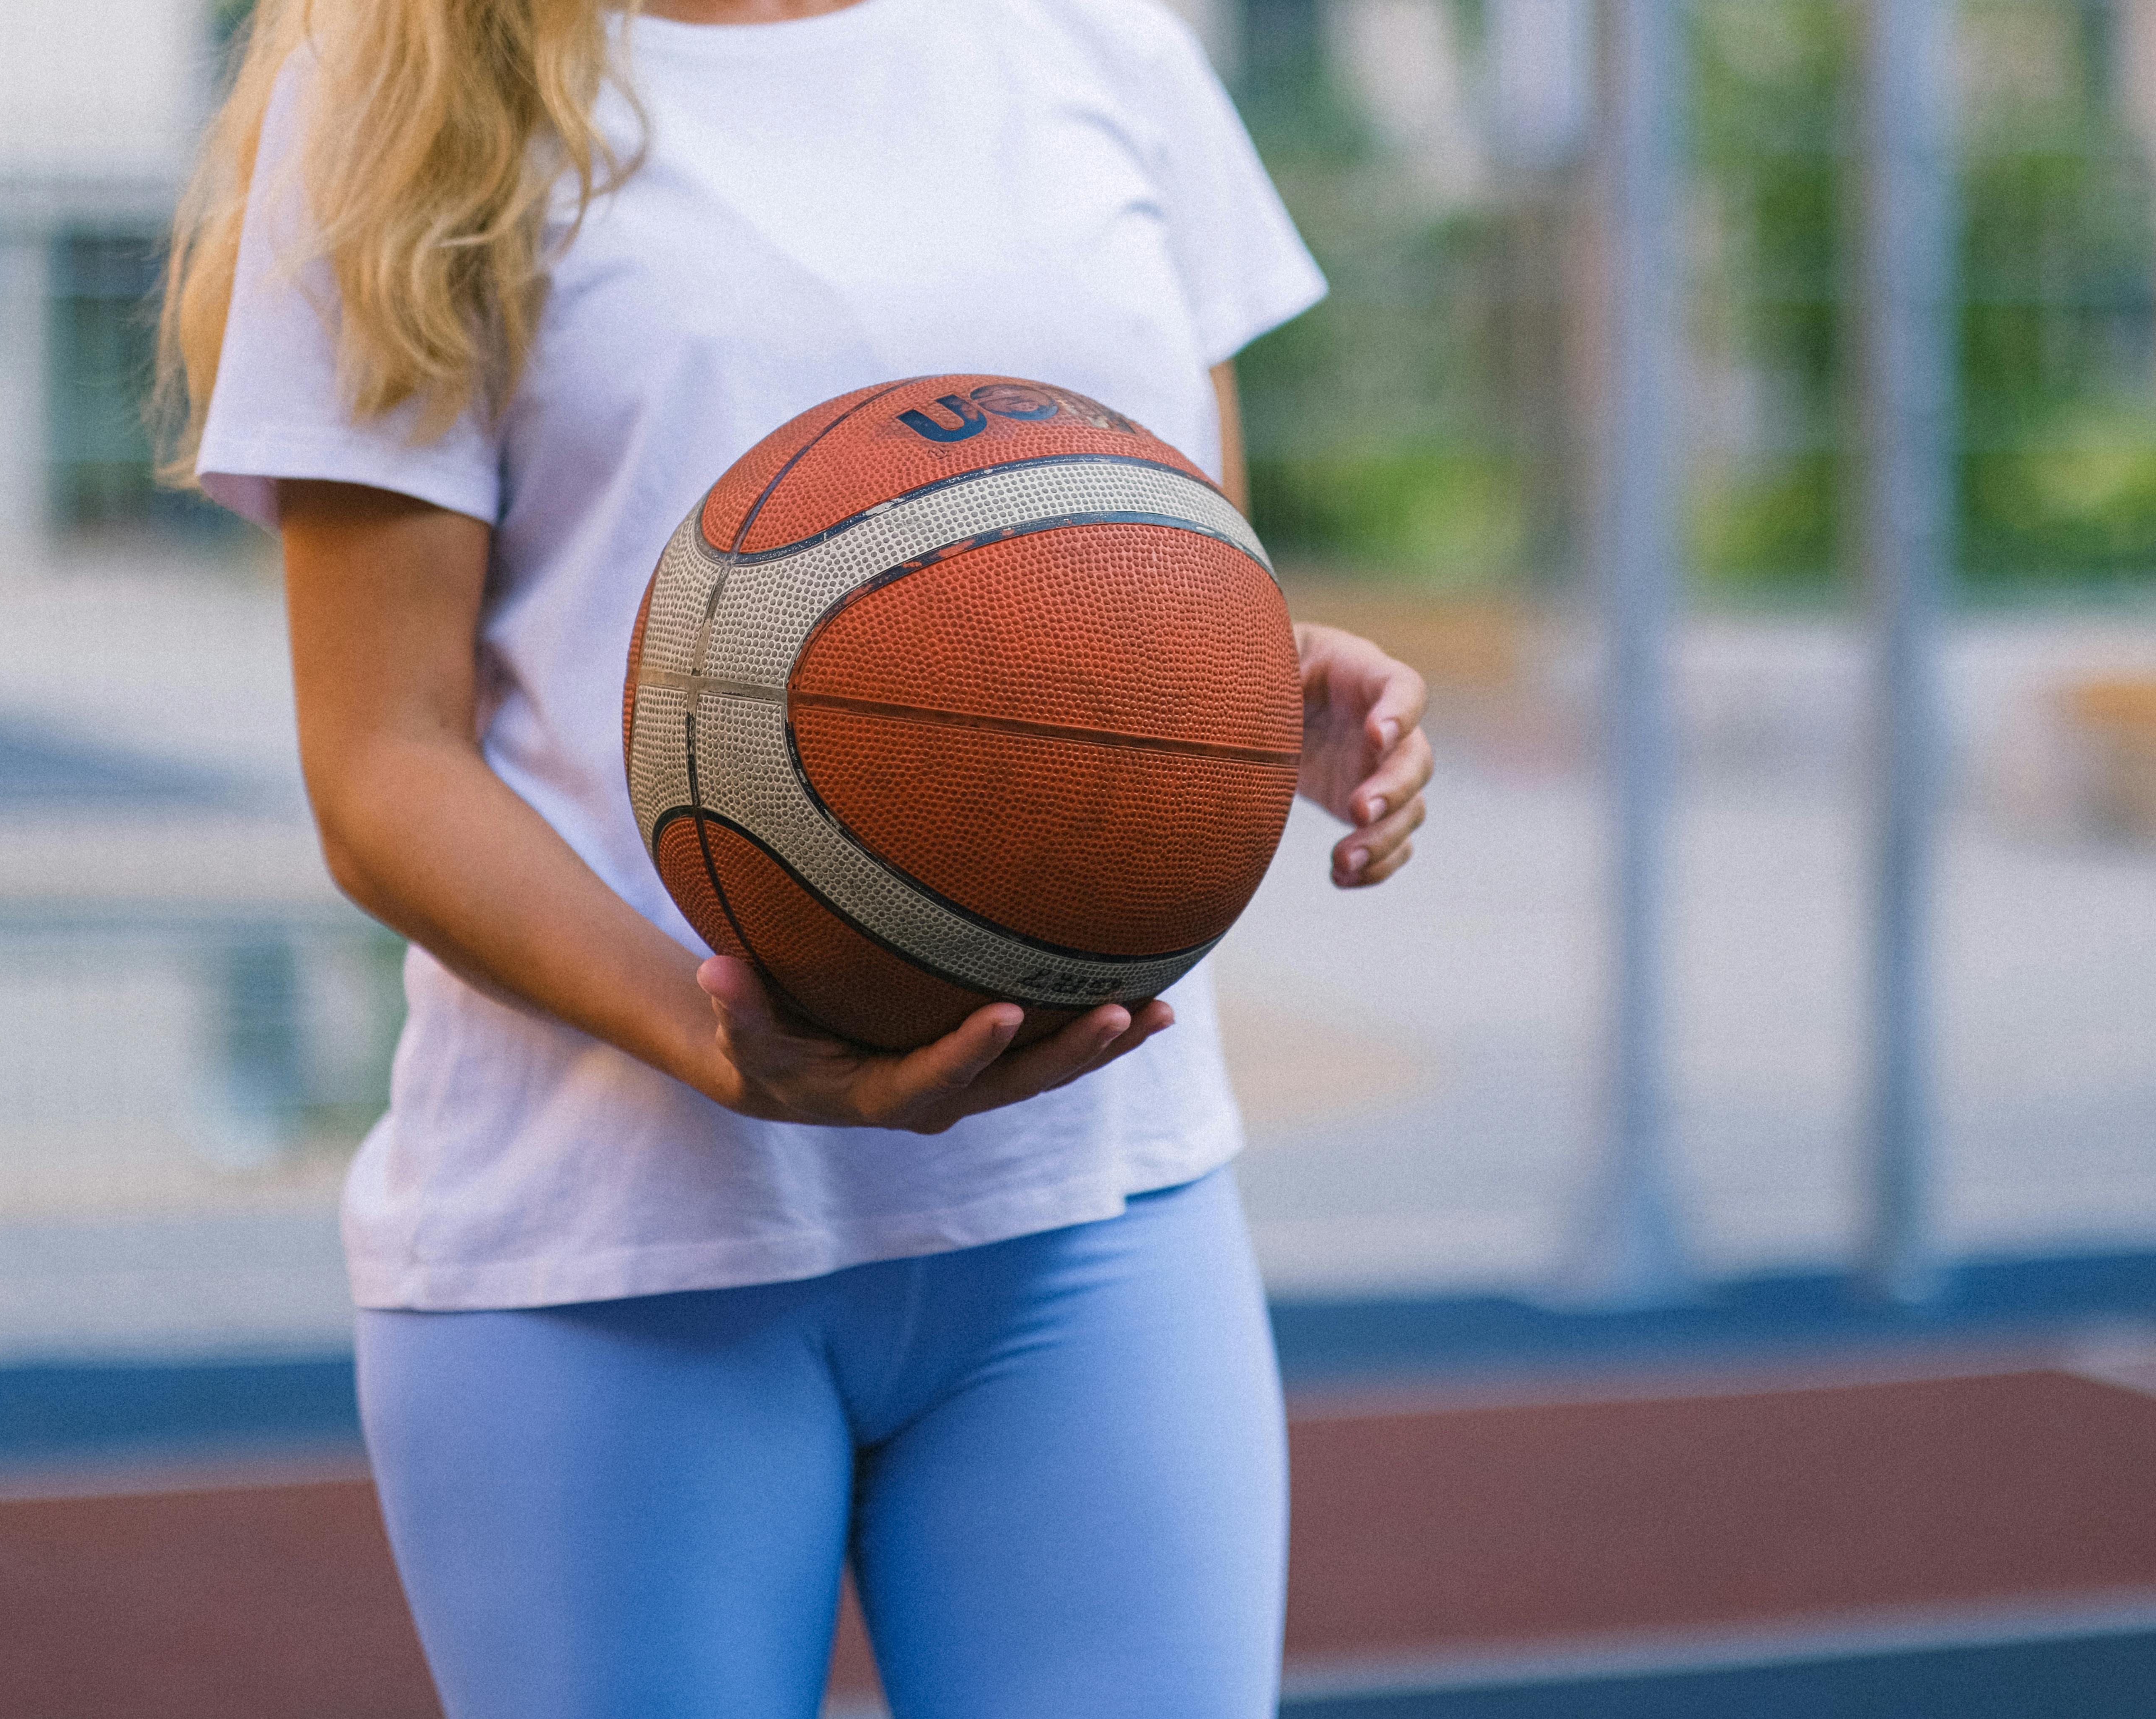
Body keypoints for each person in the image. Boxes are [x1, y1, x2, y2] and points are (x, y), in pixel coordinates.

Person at [164, 0, 1432, 1714]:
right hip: (614, 1250)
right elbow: (381, 765)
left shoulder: (1096, 38)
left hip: (1093, 1211)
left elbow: (1152, 562)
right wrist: (714, 1038)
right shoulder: (404, 79)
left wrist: (1261, 696)